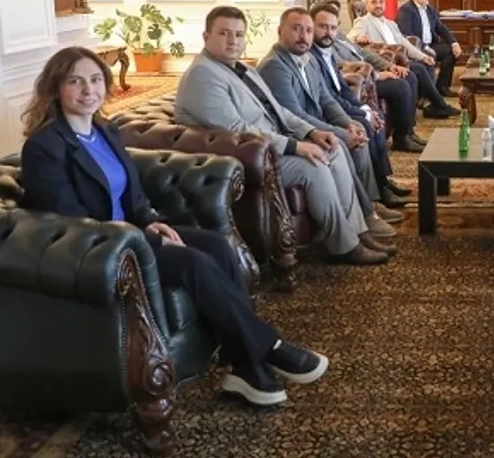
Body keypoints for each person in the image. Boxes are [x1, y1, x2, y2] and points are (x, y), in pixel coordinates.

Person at [18, 46, 330, 407]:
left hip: (133, 235)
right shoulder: (45, 147)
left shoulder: (105, 130)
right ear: (56, 88)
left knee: (217, 246)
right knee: (191, 263)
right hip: (101, 249)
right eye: (75, 82)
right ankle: (268, 346)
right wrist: (140, 237)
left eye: (95, 79)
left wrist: (152, 222)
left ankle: (245, 367)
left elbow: (132, 193)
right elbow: (71, 219)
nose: (88, 90)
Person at [175, 5, 396, 266]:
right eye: (224, 33)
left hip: (269, 145)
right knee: (314, 166)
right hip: (244, 156)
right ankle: (344, 246)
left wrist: (313, 132)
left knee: (334, 149)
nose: (233, 41)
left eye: (239, 34)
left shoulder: (241, 68)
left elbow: (279, 111)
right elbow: (236, 130)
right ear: (206, 37)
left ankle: (357, 232)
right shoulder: (203, 73)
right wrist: (295, 146)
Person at [256, 7, 406, 222]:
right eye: (296, 29)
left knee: (358, 129)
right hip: (297, 132)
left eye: (308, 30)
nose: (304, 36)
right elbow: (293, 115)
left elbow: (326, 99)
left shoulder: (308, 59)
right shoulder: (275, 66)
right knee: (342, 142)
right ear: (280, 31)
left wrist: (348, 123)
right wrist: (342, 133)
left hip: (316, 124)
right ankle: (366, 212)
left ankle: (370, 202)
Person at [321, 5, 426, 152]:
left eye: (336, 17)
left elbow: (363, 52)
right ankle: (401, 138)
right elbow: (341, 67)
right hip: (362, 81)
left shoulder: (340, 35)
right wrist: (377, 75)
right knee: (400, 87)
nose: (335, 22)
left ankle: (408, 132)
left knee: (409, 77)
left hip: (370, 72)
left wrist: (390, 66)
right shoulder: (325, 43)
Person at [349, 0, 460, 118]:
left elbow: (404, 43)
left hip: (400, 60)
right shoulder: (363, 22)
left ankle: (431, 106)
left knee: (426, 63)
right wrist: (359, 37)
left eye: (381, 2)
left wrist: (423, 56)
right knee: (419, 69)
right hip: (383, 63)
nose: (378, 5)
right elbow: (350, 38)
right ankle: (440, 105)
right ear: (367, 5)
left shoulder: (391, 24)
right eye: (374, 2)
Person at [397, 0, 462, 96]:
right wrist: (424, 48)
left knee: (450, 51)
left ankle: (442, 87)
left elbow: (441, 28)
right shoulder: (406, 10)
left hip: (430, 45)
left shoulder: (431, 10)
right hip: (416, 48)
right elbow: (406, 34)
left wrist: (454, 43)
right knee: (430, 54)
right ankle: (429, 93)